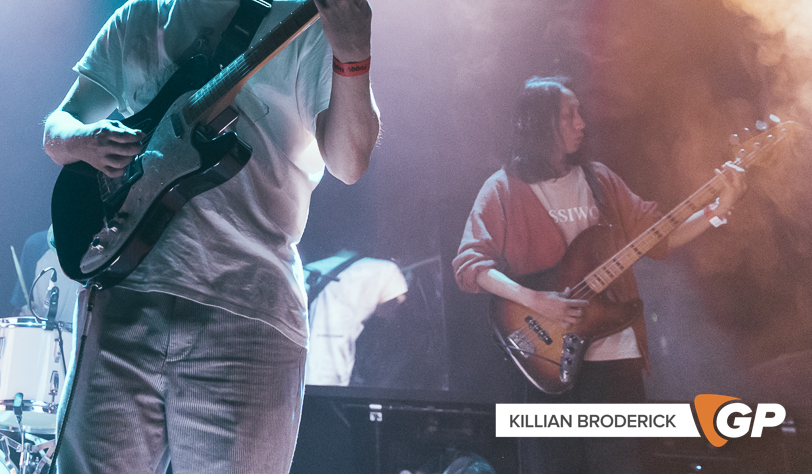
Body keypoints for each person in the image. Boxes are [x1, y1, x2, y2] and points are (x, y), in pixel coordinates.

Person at [42, 0, 380, 474]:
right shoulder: (141, 17)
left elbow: (350, 162)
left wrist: (353, 53)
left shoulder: (301, 22)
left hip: (246, 310)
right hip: (125, 298)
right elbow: (57, 129)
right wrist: (87, 142)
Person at [453, 76, 745, 474]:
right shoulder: (503, 188)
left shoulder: (599, 179)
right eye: (569, 114)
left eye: (580, 113)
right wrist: (535, 300)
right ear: (541, 123)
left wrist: (717, 209)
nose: (581, 123)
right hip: (544, 359)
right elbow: (472, 266)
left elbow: (658, 236)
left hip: (615, 355)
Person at [303, 251, 408, 387]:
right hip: (337, 382)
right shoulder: (385, 269)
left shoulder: (306, 269)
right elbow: (391, 310)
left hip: (299, 382)